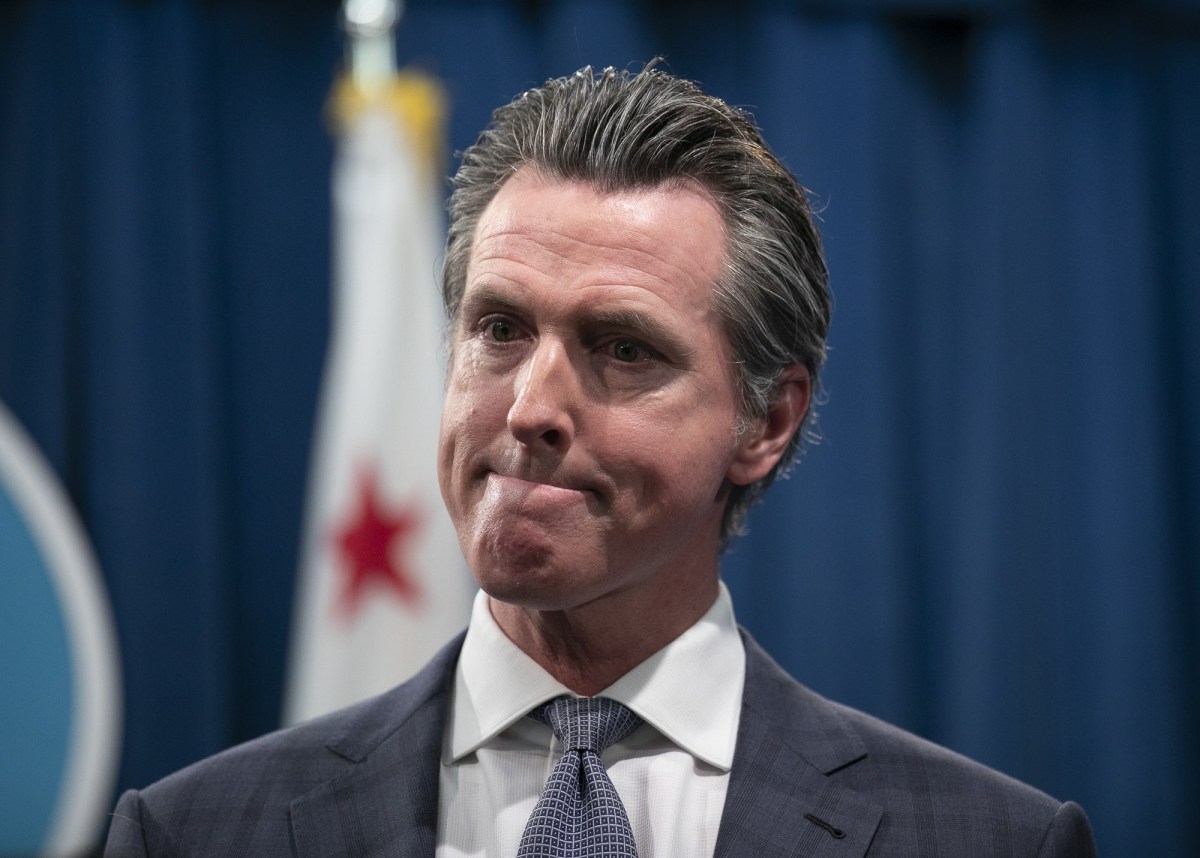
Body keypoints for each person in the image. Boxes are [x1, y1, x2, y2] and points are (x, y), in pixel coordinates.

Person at [105, 64, 1096, 857]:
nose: (530, 408)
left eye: (623, 348)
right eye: (498, 329)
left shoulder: (993, 841)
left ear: (765, 422)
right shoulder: (190, 834)